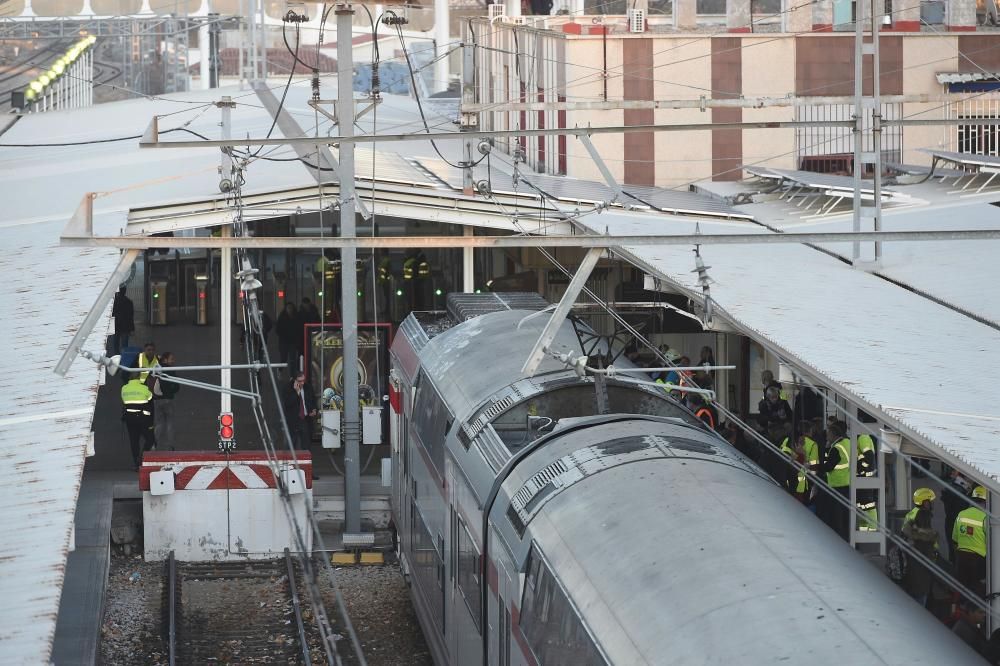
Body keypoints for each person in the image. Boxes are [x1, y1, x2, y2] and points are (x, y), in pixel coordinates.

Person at [902, 488, 941, 607]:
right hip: (922, 558)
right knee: (920, 591)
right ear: (925, 502)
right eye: (930, 500)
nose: (932, 503)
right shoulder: (922, 515)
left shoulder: (913, 513)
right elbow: (925, 538)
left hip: (914, 558)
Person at [813, 420, 851, 540]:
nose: (826, 436)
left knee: (837, 517)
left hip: (837, 485)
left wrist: (813, 466)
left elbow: (827, 466)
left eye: (828, 433)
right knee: (845, 517)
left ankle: (839, 539)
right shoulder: (848, 443)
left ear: (834, 434)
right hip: (847, 484)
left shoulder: (836, 448)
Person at [953, 485, 989, 598]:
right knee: (977, 590)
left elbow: (955, 538)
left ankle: (962, 609)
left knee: (963, 588)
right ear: (986, 501)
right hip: (979, 560)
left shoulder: (961, 514)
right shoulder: (985, 517)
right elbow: (992, 541)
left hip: (961, 557)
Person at [283, 372, 319, 478]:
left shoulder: (308, 387)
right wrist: (297, 393)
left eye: (303, 380)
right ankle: (290, 472)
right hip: (293, 421)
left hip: (305, 419)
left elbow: (312, 399)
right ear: (294, 381)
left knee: (306, 447)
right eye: (299, 381)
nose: (302, 383)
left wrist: (314, 409)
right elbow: (287, 404)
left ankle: (308, 472)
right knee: (292, 446)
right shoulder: (288, 389)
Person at [121, 371, 155, 470]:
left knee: (134, 440)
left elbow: (124, 400)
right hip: (143, 418)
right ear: (139, 378)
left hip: (129, 418)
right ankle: (141, 459)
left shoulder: (124, 388)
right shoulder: (144, 388)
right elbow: (150, 397)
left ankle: (136, 463)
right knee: (150, 439)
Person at [943, 469, 974, 561]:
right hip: (958, 522)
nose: (951, 472)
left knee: (954, 549)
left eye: (954, 470)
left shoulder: (955, 488)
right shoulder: (963, 488)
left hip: (953, 522)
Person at [153, 352, 179, 451]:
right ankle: (170, 446)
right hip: (168, 399)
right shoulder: (171, 371)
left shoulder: (156, 369)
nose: (173, 361)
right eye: (171, 358)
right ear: (165, 359)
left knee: (159, 423)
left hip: (157, 400)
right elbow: (177, 387)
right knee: (170, 423)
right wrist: (171, 392)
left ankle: (154, 444)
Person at [856, 431, 877, 530]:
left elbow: (869, 456)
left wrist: (861, 468)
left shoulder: (863, 437)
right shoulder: (864, 437)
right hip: (865, 476)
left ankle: (871, 528)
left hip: (864, 476)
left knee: (867, 504)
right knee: (863, 505)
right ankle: (865, 529)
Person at [276, 303, 300, 374]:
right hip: (284, 342)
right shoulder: (282, 317)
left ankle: (292, 375)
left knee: (293, 359)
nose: (290, 310)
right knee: (284, 359)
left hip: (292, 342)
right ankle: (280, 370)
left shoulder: (296, 317)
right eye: (288, 308)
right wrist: (284, 335)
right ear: (286, 309)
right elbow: (277, 330)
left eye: (291, 308)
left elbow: (298, 328)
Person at [111, 286, 134, 355]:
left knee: (115, 343)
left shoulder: (114, 302)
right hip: (125, 326)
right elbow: (131, 316)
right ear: (125, 292)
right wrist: (132, 328)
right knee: (124, 344)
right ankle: (124, 356)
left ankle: (116, 356)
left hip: (116, 325)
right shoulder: (129, 302)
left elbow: (111, 314)